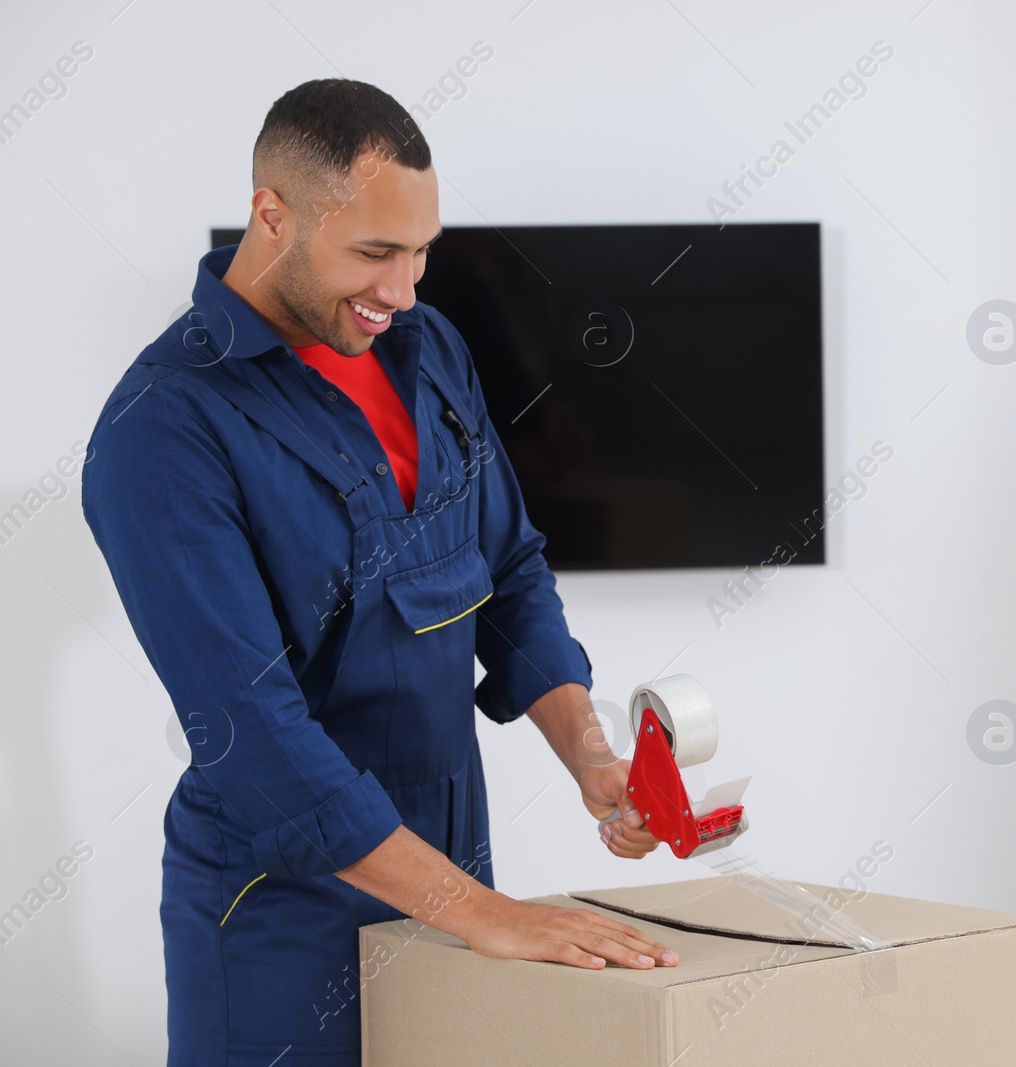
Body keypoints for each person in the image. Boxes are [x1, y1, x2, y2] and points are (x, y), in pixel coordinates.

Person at [81, 79, 675, 1067]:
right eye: (374, 253)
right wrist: (482, 912)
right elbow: (253, 730)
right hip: (280, 899)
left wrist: (589, 754)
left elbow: (509, 565)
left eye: (420, 252)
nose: (403, 289)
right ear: (271, 216)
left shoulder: (427, 347)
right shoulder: (164, 430)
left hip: (450, 855)